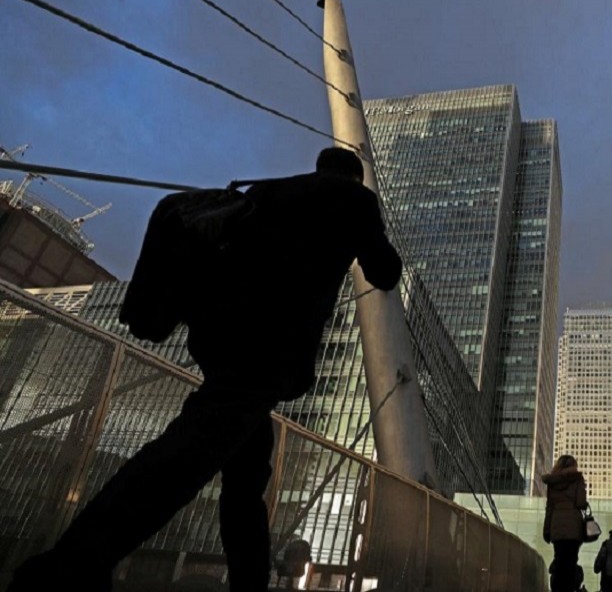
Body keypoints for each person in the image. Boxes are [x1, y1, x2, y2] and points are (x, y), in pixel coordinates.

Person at [9, 147, 402, 592]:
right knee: (187, 455)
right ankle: (70, 566)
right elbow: (383, 271)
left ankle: (248, 583)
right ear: (354, 176)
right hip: (269, 344)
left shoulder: (266, 190)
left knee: (246, 474)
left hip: (218, 335)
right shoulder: (352, 199)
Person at [542, 454, 588, 592]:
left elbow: (549, 508)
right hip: (574, 528)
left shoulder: (552, 482)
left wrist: (547, 530)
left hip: (557, 527)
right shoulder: (577, 478)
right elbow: (581, 503)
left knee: (559, 561)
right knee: (571, 563)